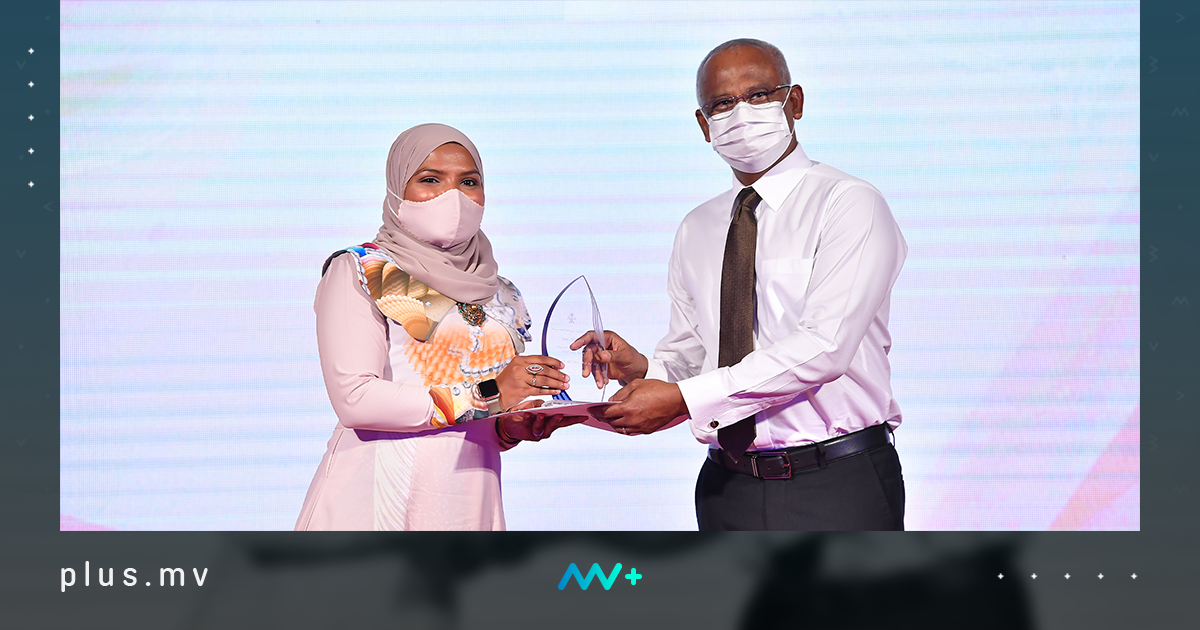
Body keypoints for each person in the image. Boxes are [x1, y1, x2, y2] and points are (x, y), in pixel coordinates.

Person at [575, 39, 908, 530]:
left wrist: (683, 399)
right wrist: (644, 369)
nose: (741, 114)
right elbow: (697, 354)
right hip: (727, 488)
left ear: (794, 101)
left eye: (758, 95)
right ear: (703, 125)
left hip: (837, 482)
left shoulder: (848, 203)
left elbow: (825, 347)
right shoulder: (697, 227)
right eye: (722, 104)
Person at [296, 123, 576, 531]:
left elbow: (481, 413)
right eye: (430, 179)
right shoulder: (368, 269)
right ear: (397, 188)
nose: (454, 196)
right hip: (377, 496)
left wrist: (511, 425)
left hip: (468, 498)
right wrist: (491, 394)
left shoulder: (500, 293)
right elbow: (355, 399)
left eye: (469, 182)